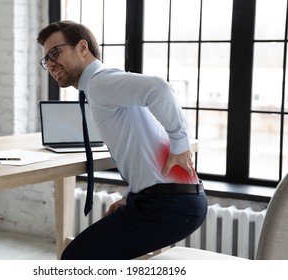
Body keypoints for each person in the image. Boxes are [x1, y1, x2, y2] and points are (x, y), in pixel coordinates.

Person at [37, 20, 208, 260]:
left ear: (82, 48)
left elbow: (159, 89)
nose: (51, 63)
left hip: (168, 205)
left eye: (56, 52)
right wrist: (132, 196)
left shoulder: (99, 82)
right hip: (170, 201)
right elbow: (140, 146)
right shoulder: (102, 85)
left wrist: (180, 142)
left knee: (74, 260)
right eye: (47, 59)